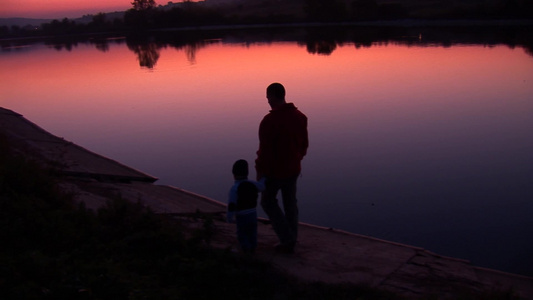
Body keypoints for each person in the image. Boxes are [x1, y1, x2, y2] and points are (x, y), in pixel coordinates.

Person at [255, 82, 308, 254]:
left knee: (267, 202)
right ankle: (291, 238)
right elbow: (304, 145)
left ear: (272, 96)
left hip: (275, 172)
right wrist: (298, 157)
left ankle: (287, 239)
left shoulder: (269, 121)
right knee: (290, 204)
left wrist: (260, 172)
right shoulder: (300, 116)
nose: (267, 101)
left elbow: (265, 152)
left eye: (268, 97)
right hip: (293, 169)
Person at [227, 159, 265, 254]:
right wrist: (264, 178)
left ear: (234, 175)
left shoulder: (234, 188)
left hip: (241, 216)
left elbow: (231, 204)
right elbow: (262, 186)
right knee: (252, 232)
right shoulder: (253, 184)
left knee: (242, 233)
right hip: (253, 214)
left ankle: (245, 249)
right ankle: (253, 246)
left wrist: (229, 217)